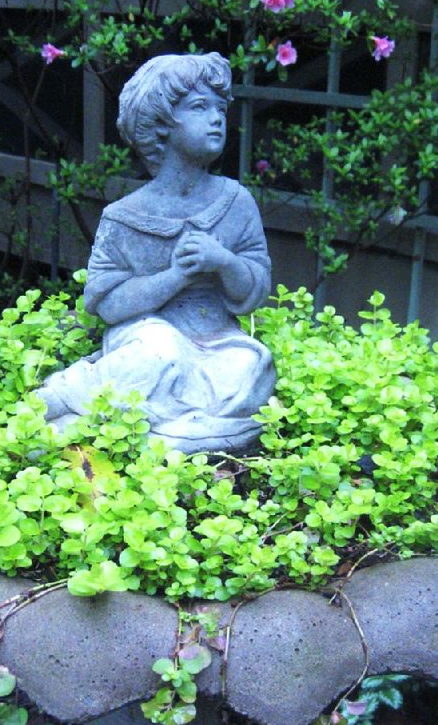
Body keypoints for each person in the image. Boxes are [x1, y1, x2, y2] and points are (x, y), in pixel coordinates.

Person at [36, 52, 276, 453]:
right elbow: (106, 304)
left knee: (252, 367)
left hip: (216, 339)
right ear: (160, 124)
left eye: (220, 107)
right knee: (159, 353)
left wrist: (226, 261)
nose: (217, 117)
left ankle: (161, 428)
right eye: (200, 107)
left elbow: (255, 291)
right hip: (146, 334)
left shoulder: (237, 202)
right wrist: (175, 276)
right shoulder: (125, 216)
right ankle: (68, 396)